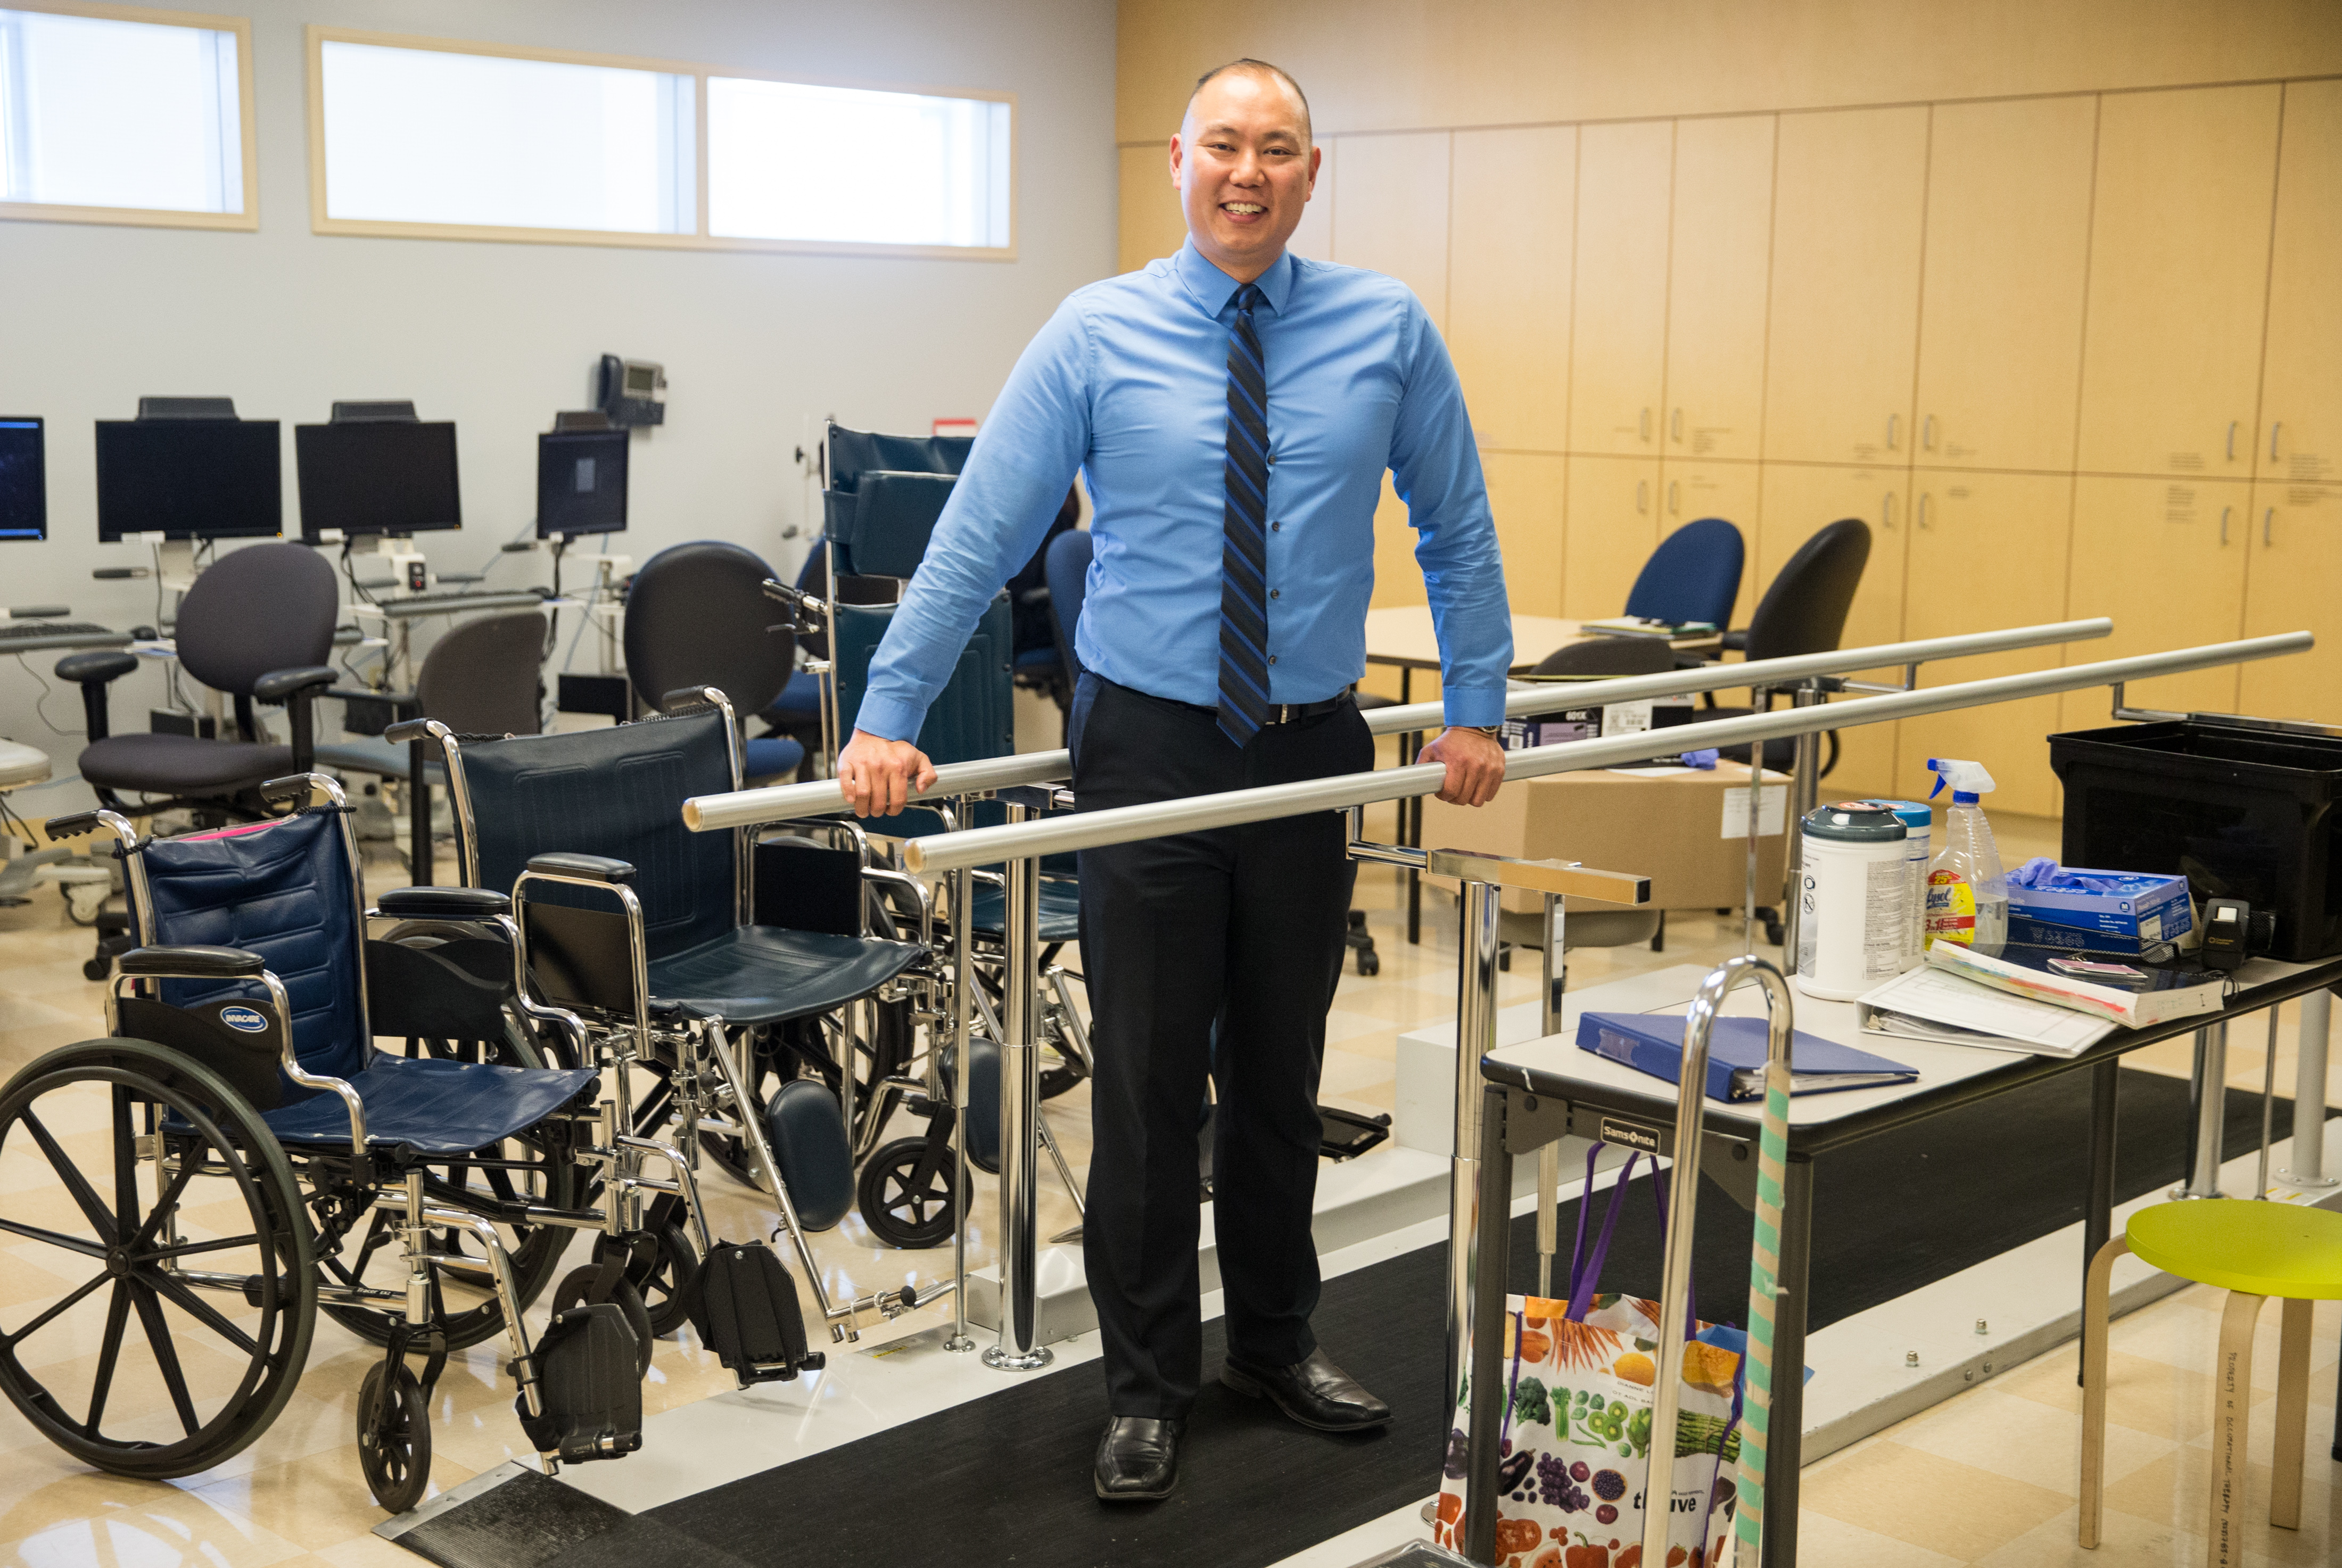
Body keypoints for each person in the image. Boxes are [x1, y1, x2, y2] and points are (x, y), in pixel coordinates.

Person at [836, 58, 1511, 1502]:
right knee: (1145, 1082)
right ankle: (1146, 1380)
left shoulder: (1384, 327)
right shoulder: (1097, 332)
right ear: (1176, 161)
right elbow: (978, 533)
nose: (1247, 172)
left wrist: (1477, 707)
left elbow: (1456, 527)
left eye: (1277, 149)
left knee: (1277, 1068)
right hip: (1144, 744)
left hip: (1306, 743)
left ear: (1312, 175)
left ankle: (1274, 1338)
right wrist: (891, 712)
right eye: (1223, 145)